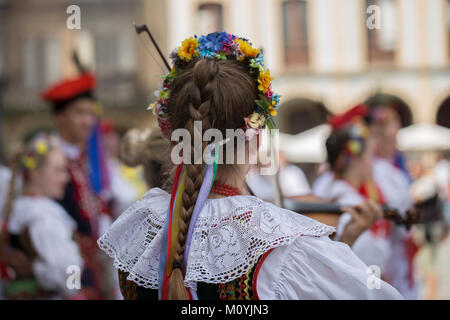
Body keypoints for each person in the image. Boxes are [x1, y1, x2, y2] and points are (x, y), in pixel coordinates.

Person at [98, 32, 402, 300]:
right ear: (256, 140)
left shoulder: (138, 232)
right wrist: (344, 246)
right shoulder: (283, 247)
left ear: (171, 133)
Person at [41, 72, 110, 299]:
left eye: (91, 113)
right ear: (60, 117)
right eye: (80, 113)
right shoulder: (45, 158)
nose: (88, 121)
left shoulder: (86, 159)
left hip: (90, 270)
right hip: (60, 271)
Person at [3, 134, 83, 299]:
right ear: (35, 173)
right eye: (58, 170)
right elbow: (69, 270)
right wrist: (75, 288)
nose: (65, 178)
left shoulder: (20, 207)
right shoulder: (43, 215)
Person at [318, 105, 393, 274]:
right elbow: (369, 260)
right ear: (355, 158)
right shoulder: (348, 201)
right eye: (369, 155)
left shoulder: (338, 191)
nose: (372, 162)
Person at [369, 105, 419, 299]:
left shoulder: (396, 163)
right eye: (388, 137)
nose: (394, 140)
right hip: (387, 247)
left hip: (399, 247)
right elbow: (394, 209)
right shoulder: (377, 169)